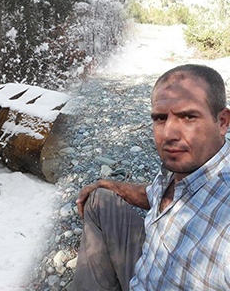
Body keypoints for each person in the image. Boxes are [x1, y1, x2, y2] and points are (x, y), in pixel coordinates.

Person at [72, 64, 230, 290]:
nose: (169, 134)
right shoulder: (184, 166)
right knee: (100, 199)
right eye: (160, 118)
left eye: (188, 116)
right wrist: (113, 185)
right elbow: (156, 194)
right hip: (146, 271)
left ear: (222, 121)